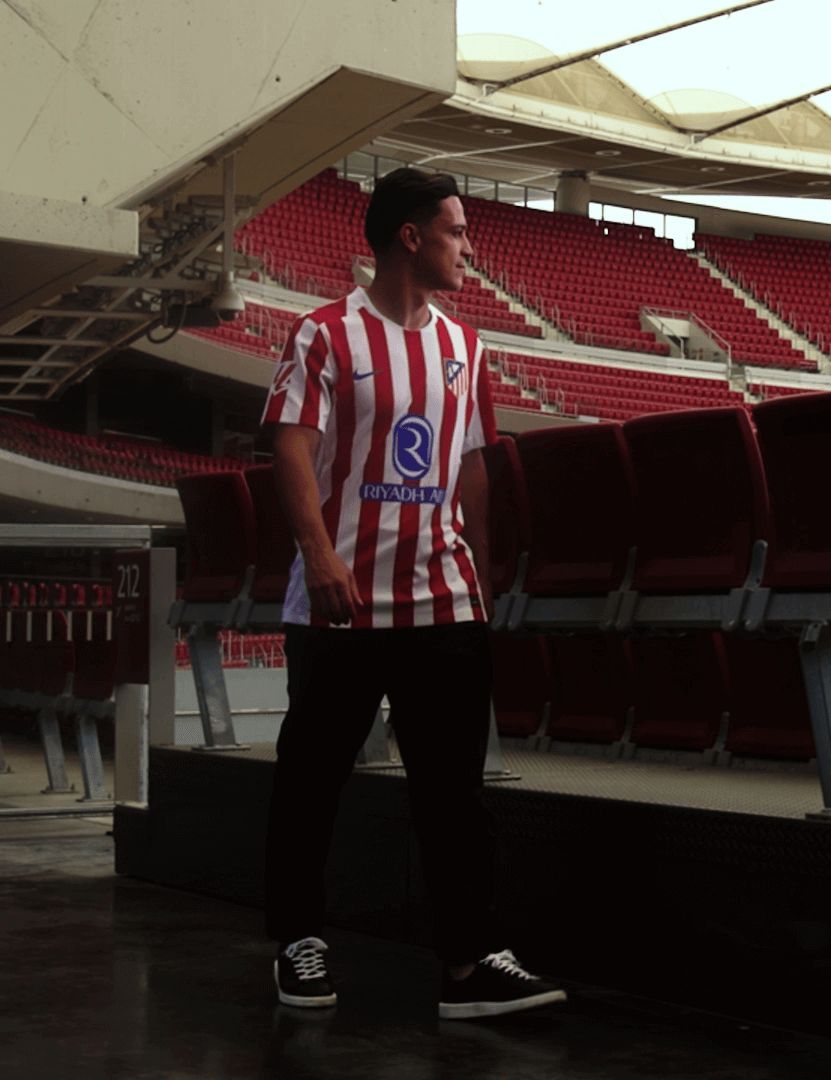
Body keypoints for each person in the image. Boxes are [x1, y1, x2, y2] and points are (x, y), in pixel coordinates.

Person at [258, 166, 563, 1020]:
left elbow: (472, 465)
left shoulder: (466, 345)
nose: (468, 248)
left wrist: (482, 575)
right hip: (341, 600)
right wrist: (318, 555)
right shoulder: (324, 335)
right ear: (411, 236)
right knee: (312, 780)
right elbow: (290, 448)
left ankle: (469, 963)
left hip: (444, 601)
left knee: (454, 792)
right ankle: (298, 940)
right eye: (457, 231)